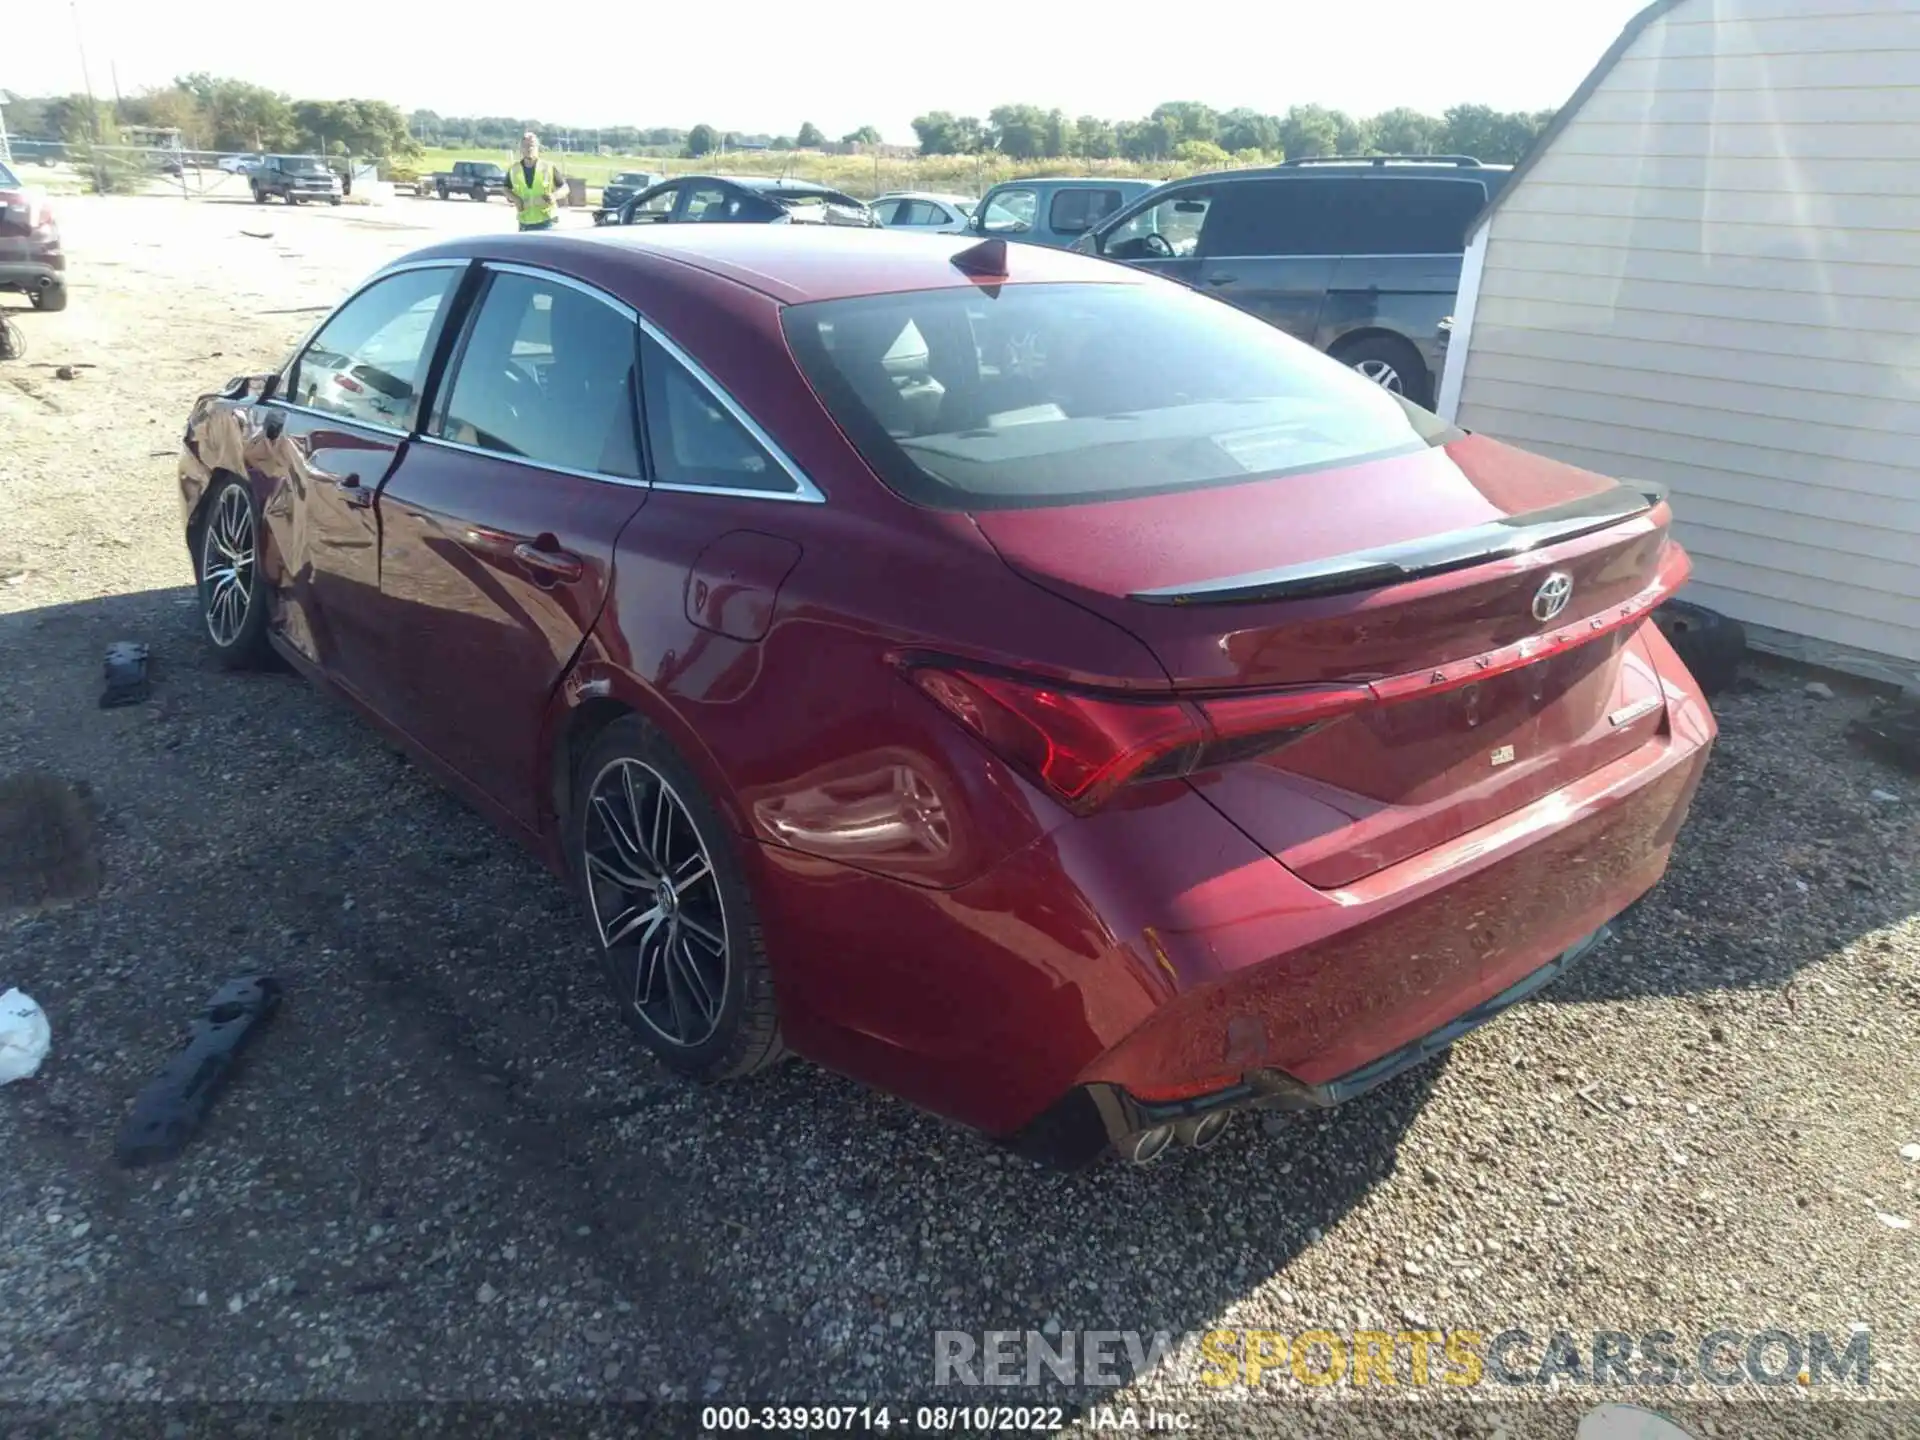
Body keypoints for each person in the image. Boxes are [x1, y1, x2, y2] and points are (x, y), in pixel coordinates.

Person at [507, 132, 564, 232]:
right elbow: (505, 188)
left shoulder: (548, 167)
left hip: (547, 222)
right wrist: (515, 199)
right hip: (525, 223)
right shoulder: (514, 170)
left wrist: (554, 196)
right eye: (525, 146)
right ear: (521, 148)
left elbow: (565, 188)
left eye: (532, 145)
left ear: (537, 147)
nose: (529, 149)